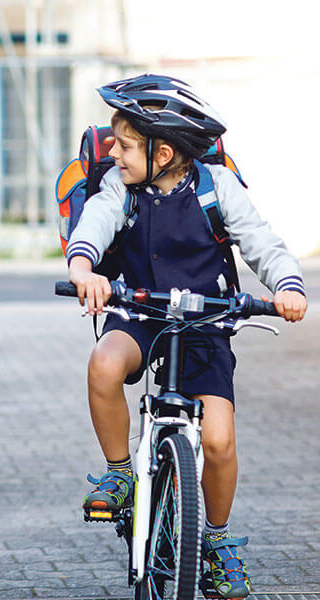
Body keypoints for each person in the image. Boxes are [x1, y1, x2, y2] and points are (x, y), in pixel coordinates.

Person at [66, 74, 308, 599]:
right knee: (103, 364)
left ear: (164, 151)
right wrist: (84, 267)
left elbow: (261, 241)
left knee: (218, 439)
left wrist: (287, 286)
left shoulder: (214, 187)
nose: (114, 151)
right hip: (140, 312)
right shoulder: (119, 189)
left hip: (206, 323)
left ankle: (217, 542)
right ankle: (120, 473)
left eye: (125, 144)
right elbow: (95, 224)